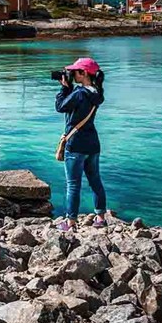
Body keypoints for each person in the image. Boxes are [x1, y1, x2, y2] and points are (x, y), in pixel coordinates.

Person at [55, 57, 106, 231]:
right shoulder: (96, 93)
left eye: (75, 72)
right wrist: (70, 88)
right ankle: (100, 217)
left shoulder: (79, 93)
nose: (72, 74)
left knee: (73, 185)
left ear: (84, 73)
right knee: (95, 181)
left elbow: (60, 106)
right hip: (93, 144)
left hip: (76, 144)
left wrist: (64, 88)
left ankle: (70, 223)